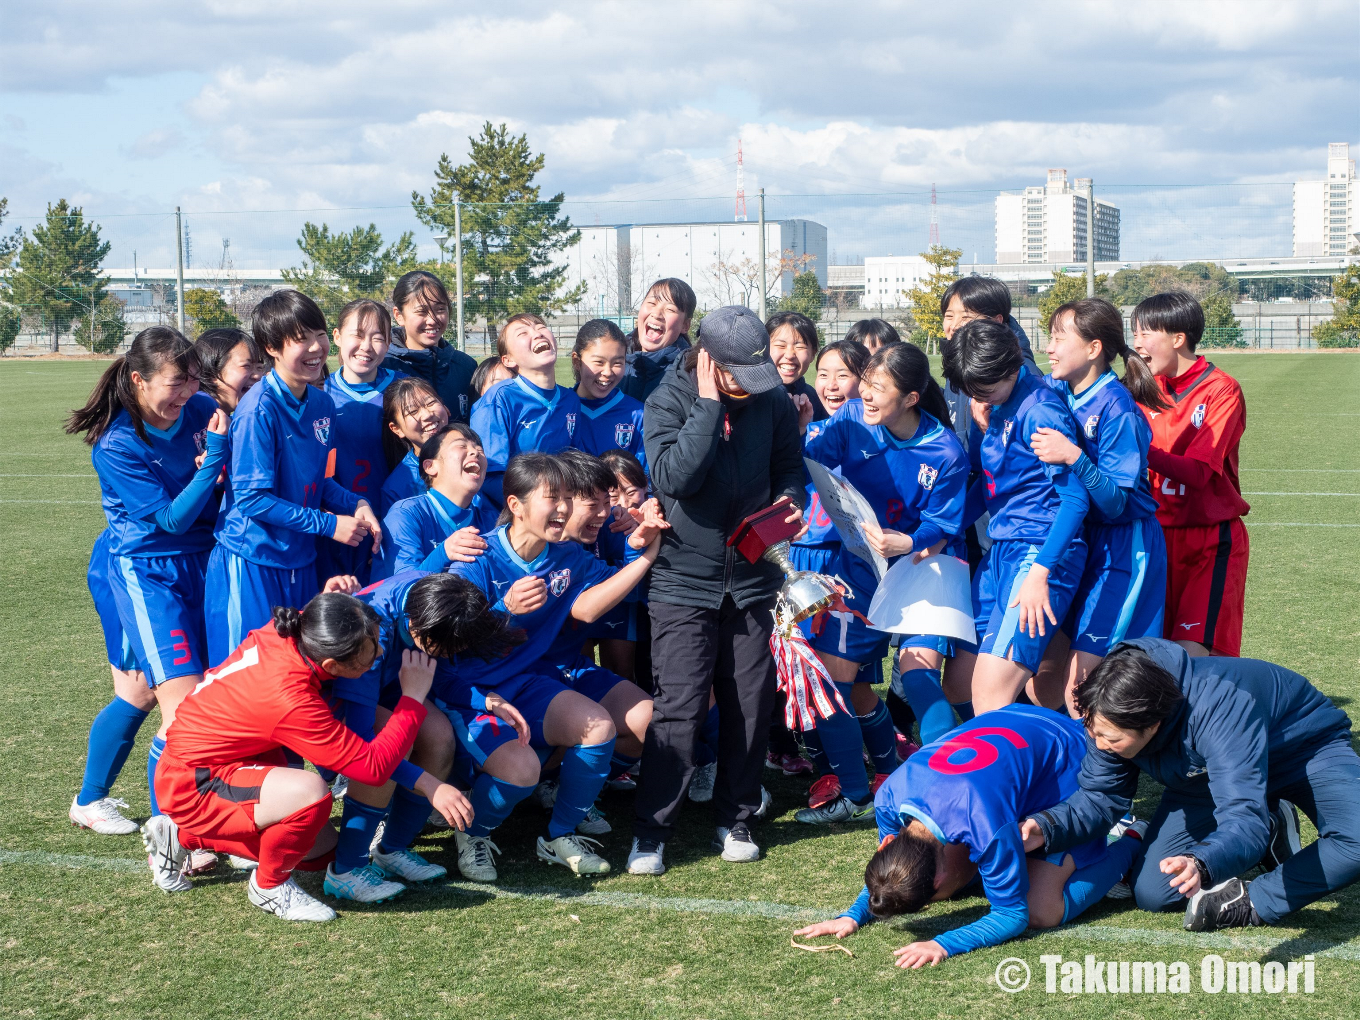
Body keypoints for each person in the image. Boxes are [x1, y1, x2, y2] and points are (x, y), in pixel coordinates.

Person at [142, 592, 475, 922]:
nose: (381, 651)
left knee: (318, 856)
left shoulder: (306, 627)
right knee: (310, 795)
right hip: (196, 783)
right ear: (331, 665)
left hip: (222, 759)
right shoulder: (290, 698)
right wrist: (412, 699)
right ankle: (269, 887)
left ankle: (177, 835)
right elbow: (372, 768)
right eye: (371, 651)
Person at [629, 304, 805, 875]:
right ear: (706, 362)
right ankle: (651, 832)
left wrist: (790, 498)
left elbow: (789, 463)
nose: (748, 390)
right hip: (683, 580)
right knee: (678, 708)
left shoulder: (771, 399)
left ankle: (737, 818)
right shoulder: (667, 399)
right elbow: (676, 476)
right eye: (734, 378)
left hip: (754, 579)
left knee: (751, 705)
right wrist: (707, 405)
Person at [1020, 639, 1360, 933]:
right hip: (1206, 775)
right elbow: (1100, 797)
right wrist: (1046, 828)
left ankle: (1254, 898)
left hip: (1303, 750)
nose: (1099, 744)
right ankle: (1273, 822)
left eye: (1110, 739)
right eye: (1094, 733)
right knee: (1156, 891)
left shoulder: (1218, 708)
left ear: (1153, 725)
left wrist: (1203, 861)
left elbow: (1243, 818)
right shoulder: (1109, 712)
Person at [434, 454, 662, 881]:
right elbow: (447, 644)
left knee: (598, 726)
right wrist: (505, 609)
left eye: (565, 499)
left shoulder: (567, 557)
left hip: (525, 682)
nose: (563, 509)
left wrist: (644, 552)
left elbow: (591, 605)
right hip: (470, 690)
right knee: (523, 770)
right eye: (552, 498)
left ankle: (560, 833)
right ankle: (475, 834)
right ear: (516, 505)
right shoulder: (477, 558)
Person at [794, 705, 1148, 967]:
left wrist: (944, 944)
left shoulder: (984, 825)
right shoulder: (888, 797)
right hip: (1018, 720)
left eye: (932, 897)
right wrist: (853, 915)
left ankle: (1133, 839)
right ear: (889, 842)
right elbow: (892, 872)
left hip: (1073, 756)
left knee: (1041, 910)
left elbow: (1013, 916)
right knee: (971, 869)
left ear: (942, 875)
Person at [796, 342, 970, 824]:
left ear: (912, 397)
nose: (865, 395)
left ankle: (945, 785)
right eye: (866, 383)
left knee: (917, 676)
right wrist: (796, 427)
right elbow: (808, 456)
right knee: (836, 682)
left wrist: (909, 539)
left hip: (925, 571)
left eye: (878, 387)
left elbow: (945, 523)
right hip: (862, 573)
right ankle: (871, 783)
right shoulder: (851, 418)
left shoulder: (945, 451)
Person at [67, 328, 228, 838]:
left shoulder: (202, 410)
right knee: (178, 705)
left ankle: (90, 800)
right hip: (145, 571)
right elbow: (172, 521)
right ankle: (175, 829)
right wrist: (215, 463)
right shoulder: (116, 444)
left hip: (203, 563)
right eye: (177, 381)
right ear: (138, 380)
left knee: (142, 693)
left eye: (195, 379)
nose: (189, 392)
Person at [325, 572, 521, 903]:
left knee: (440, 736)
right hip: (337, 697)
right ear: (415, 624)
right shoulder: (370, 637)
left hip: (391, 687)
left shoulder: (436, 600)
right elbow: (363, 748)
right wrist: (430, 784)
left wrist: (485, 700)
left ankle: (393, 848)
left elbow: (439, 675)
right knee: (390, 742)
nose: (451, 653)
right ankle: (347, 869)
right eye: (447, 647)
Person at [941, 319, 1089, 714]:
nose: (976, 396)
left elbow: (1075, 499)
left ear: (1011, 368)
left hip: (1037, 553)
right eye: (969, 389)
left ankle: (1014, 772)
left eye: (983, 387)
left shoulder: (1040, 411)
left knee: (991, 696)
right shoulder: (995, 403)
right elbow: (993, 485)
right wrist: (938, 529)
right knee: (959, 684)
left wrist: (1041, 572)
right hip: (1001, 552)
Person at [1028, 298, 1169, 711]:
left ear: (1093, 348)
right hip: (1081, 544)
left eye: (1058, 338)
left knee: (1083, 688)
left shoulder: (1117, 408)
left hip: (1123, 548)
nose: (1048, 348)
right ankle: (1069, 767)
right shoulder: (1058, 392)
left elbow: (1114, 503)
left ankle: (1104, 771)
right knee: (1043, 684)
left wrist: (1073, 455)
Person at [1131, 292, 1249, 657]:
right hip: (1153, 538)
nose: (1137, 344)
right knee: (1151, 654)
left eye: (1146, 334)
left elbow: (1198, 473)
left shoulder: (1221, 389)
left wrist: (1138, 448)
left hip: (1208, 540)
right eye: (1134, 333)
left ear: (1178, 338)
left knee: (1192, 654)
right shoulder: (1140, 388)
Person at [319, 299, 404, 585]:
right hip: (337, 526)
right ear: (338, 337)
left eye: (378, 337)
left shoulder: (403, 388)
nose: (366, 346)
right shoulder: (319, 394)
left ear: (389, 342)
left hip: (393, 524)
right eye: (357, 334)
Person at [470, 313, 582, 507]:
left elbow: (576, 460)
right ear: (508, 360)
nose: (537, 334)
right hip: (515, 516)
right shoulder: (499, 399)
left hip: (559, 508)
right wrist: (534, 507)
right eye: (523, 333)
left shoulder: (570, 399)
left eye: (541, 327)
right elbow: (488, 477)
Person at [380, 423, 497, 576]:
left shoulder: (492, 522)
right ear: (430, 467)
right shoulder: (405, 514)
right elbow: (400, 588)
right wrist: (444, 553)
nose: (475, 452)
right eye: (461, 446)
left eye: (480, 450)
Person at [383, 270, 477, 423]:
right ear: (399, 315)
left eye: (440, 309)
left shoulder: (466, 366)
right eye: (422, 311)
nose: (432, 320)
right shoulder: (384, 368)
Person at [571, 318, 648, 471]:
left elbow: (643, 480)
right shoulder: (561, 408)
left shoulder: (638, 414)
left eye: (617, 363)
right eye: (599, 362)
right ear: (577, 362)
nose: (607, 372)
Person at [376, 376, 449, 518]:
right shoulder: (397, 487)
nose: (427, 414)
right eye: (413, 411)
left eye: (431, 402)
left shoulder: (475, 454)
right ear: (397, 429)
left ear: (445, 407)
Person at [621, 278, 696, 401]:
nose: (656, 314)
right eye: (652, 303)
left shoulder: (687, 376)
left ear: (685, 325)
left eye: (670, 309)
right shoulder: (615, 361)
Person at [767, 310, 826, 421]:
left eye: (800, 347)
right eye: (780, 345)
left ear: (813, 354)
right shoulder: (751, 396)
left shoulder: (812, 398)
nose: (790, 355)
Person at [195, 327, 267, 414]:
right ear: (212, 372)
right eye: (246, 366)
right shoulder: (190, 419)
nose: (257, 376)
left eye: (259, 367)